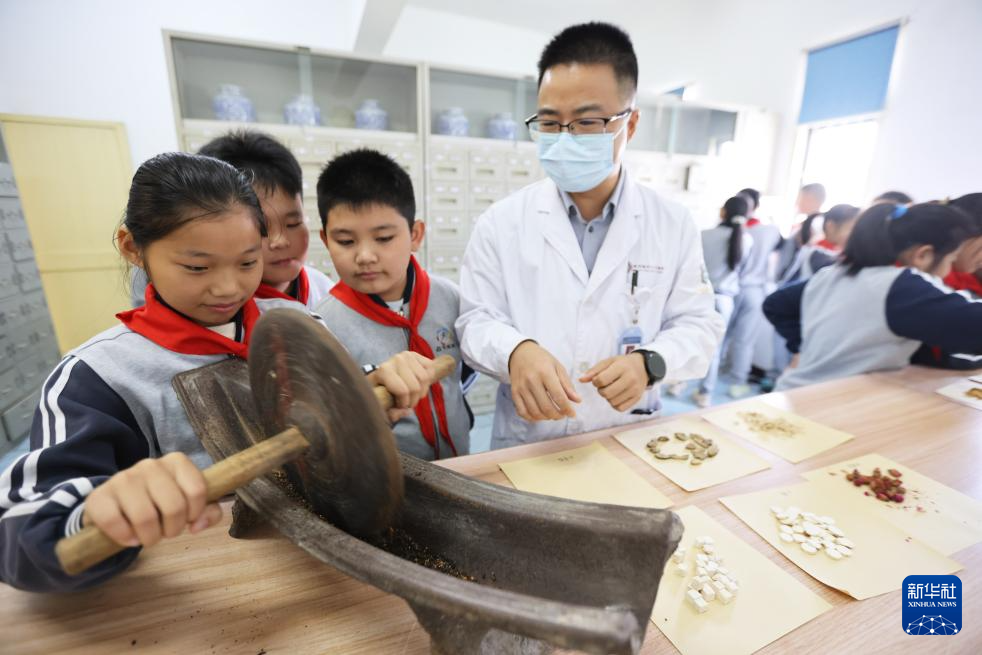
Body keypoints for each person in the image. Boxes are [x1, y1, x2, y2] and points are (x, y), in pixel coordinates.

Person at [0, 153, 432, 592]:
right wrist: (94, 511)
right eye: (197, 267)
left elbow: (334, 434)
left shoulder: (296, 327)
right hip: (199, 588)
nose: (228, 287)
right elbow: (17, 534)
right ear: (132, 247)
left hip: (323, 568)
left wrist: (371, 394)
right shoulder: (99, 376)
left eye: (247, 262)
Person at [455, 22, 723, 449]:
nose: (564, 139)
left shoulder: (672, 224)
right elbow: (475, 321)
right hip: (531, 438)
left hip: (626, 434)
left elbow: (699, 324)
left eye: (586, 122)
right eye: (549, 123)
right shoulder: (501, 222)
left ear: (629, 125)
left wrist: (651, 363)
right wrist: (515, 351)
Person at [314, 149, 470, 460]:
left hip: (461, 463)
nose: (365, 256)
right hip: (388, 475)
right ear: (325, 240)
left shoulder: (451, 298)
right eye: (346, 242)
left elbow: (463, 379)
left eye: (384, 238)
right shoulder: (323, 327)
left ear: (415, 234)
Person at [764, 202, 982, 390]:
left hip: (794, 391)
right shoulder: (902, 286)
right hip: (829, 401)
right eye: (950, 260)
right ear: (923, 255)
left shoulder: (836, 272)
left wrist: (805, 346)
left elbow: (775, 304)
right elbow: (973, 324)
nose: (947, 271)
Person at [128, 131, 334, 310]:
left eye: (293, 224)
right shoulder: (217, 308)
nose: (280, 240)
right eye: (262, 228)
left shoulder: (323, 289)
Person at [691, 196, 754, 407]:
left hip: (699, 296)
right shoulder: (746, 240)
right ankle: (705, 393)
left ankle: (678, 384)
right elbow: (743, 272)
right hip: (725, 300)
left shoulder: (704, 235)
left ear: (722, 212)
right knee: (715, 349)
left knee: (688, 340)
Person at [779, 204, 860, 285]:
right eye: (851, 229)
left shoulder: (832, 251)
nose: (855, 235)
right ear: (830, 226)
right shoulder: (819, 251)